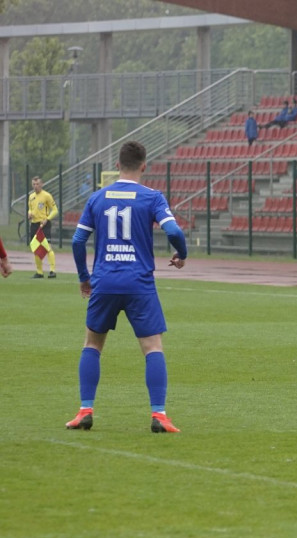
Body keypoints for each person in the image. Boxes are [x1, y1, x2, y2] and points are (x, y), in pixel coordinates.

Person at [66, 140, 188, 433]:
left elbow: (77, 240)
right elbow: (173, 230)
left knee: (92, 344)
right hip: (139, 283)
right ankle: (158, 415)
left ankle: (85, 411)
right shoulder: (152, 197)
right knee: (152, 348)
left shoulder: (98, 198)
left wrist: (85, 277)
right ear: (144, 166)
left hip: (105, 281)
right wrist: (181, 255)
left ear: (117, 165)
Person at [28, 176, 58, 278]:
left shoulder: (47, 196)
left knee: (47, 247)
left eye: (37, 184)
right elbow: (30, 208)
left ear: (41, 184)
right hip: (34, 224)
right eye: (34, 184)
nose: (35, 186)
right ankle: (39, 272)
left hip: (44, 224)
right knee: (36, 248)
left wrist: (47, 219)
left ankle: (52, 271)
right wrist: (29, 213)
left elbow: (55, 210)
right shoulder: (31, 196)